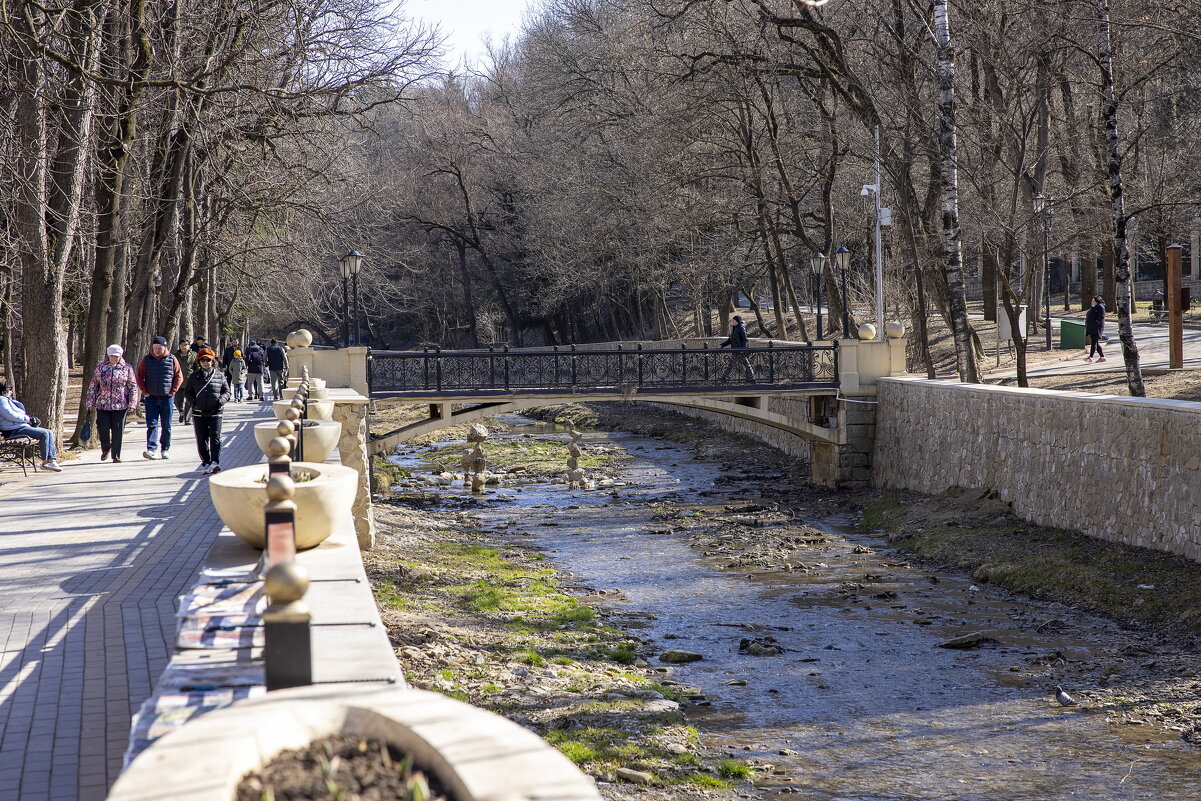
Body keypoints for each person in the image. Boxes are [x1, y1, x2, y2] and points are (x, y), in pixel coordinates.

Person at [85, 345, 140, 463]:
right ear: (108, 356)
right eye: (112, 356)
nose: (114, 358)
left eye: (116, 356)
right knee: (103, 428)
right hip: (103, 404)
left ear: (120, 356)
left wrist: (132, 403)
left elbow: (133, 387)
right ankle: (105, 448)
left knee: (118, 430)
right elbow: (93, 385)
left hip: (121, 404)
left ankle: (116, 455)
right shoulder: (101, 367)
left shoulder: (127, 368)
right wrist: (90, 401)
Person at [136, 335, 184, 460]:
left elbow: (179, 377)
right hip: (150, 398)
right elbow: (139, 376)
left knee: (166, 425)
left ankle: (165, 448)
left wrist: (173, 392)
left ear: (165, 348)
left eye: (160, 348)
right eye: (155, 347)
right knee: (152, 424)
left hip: (166, 398)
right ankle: (151, 449)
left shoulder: (172, 359)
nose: (157, 350)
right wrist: (145, 392)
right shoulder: (146, 359)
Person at [184, 348, 230, 474]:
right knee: (201, 439)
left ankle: (215, 462)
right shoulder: (194, 376)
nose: (206, 362)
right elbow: (187, 392)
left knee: (215, 438)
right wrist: (194, 402)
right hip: (199, 413)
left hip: (216, 412)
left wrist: (221, 401)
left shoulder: (219, 375)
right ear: (199, 362)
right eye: (203, 360)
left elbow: (227, 391)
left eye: (208, 360)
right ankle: (205, 462)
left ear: (213, 361)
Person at [0, 380, 63, 472]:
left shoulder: (7, 400)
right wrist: (28, 419)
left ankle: (52, 460)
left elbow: (18, 412)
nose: (11, 392)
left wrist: (29, 419)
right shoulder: (1, 400)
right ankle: (45, 462)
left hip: (20, 427)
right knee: (44, 434)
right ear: (4, 390)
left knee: (49, 432)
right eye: (10, 389)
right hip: (13, 430)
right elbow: (9, 414)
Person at [719, 315, 755, 381]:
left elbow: (745, 340)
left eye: (733, 320)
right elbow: (730, 340)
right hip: (737, 350)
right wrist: (722, 345)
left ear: (736, 321)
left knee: (741, 364)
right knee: (743, 364)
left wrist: (742, 349)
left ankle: (725, 377)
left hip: (740, 350)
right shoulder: (735, 328)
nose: (731, 322)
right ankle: (751, 377)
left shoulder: (741, 328)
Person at [174, 341, 198, 423]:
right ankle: (181, 412)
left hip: (190, 382)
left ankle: (187, 419)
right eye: (182, 345)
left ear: (189, 346)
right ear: (179, 346)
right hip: (178, 382)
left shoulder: (194, 355)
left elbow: (197, 368)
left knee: (189, 400)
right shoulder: (175, 356)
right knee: (177, 400)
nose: (184, 347)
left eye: (185, 345)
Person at [1085, 295, 1106, 363]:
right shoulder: (1094, 307)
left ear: (1097, 301)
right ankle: (1102, 357)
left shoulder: (1100, 307)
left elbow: (1101, 316)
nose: (1092, 302)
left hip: (1097, 328)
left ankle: (1090, 357)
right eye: (1092, 301)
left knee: (1094, 343)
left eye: (1093, 301)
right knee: (1096, 343)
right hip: (1092, 327)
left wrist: (1096, 322)